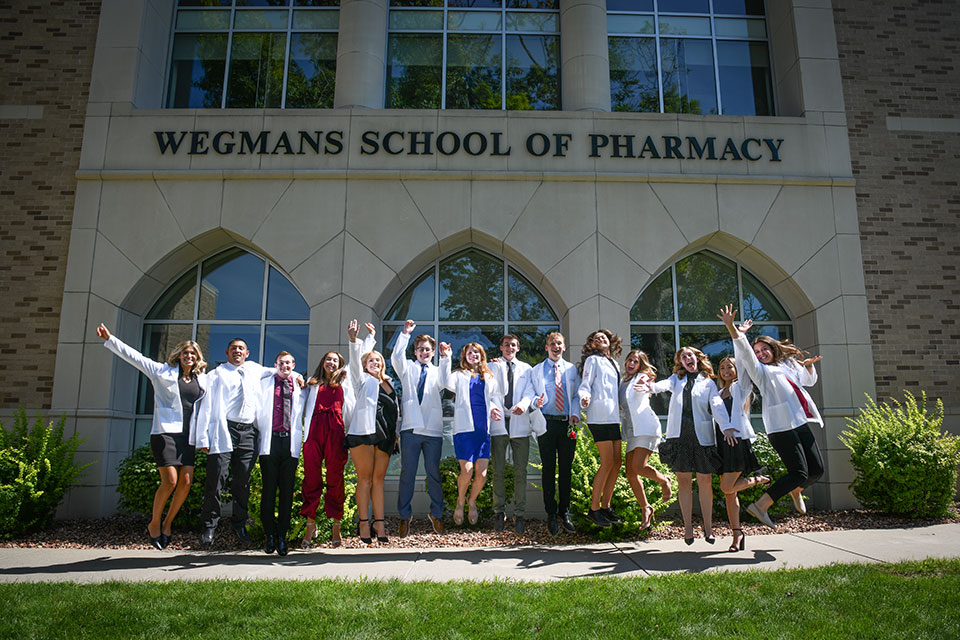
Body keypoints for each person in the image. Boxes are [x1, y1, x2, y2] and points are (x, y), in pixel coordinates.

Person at [97, 323, 206, 550]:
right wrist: (110, 339)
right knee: (171, 481)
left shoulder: (202, 379)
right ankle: (154, 523)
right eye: (186, 353)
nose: (189, 356)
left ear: (197, 358)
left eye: (193, 354)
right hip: (165, 433)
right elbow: (134, 357)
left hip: (189, 436)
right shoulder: (160, 371)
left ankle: (167, 524)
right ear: (178, 355)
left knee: (185, 483)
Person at [719, 304, 825, 529]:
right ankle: (761, 505)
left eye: (763, 350)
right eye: (757, 352)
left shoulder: (787, 365)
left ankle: (796, 489)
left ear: (772, 348)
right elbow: (744, 354)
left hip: (800, 422)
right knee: (798, 472)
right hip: (780, 427)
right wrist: (733, 329)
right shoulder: (761, 371)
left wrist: (807, 367)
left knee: (816, 470)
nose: (760, 354)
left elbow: (808, 382)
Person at [194, 338, 296, 548]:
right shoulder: (217, 374)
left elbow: (282, 370)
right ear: (227, 352)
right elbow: (205, 406)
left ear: (247, 353)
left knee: (243, 480)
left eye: (241, 349)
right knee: (217, 479)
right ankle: (210, 525)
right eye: (233, 349)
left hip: (248, 431)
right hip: (225, 429)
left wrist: (298, 376)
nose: (237, 351)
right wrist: (202, 437)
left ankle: (239, 523)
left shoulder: (254, 369)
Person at [300, 330, 374, 549]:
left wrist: (366, 338)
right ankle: (310, 523)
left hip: (336, 432)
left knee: (335, 479)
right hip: (314, 433)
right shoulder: (311, 383)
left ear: (340, 364)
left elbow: (358, 358)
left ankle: (336, 524)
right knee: (311, 478)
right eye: (328, 359)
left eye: (335, 360)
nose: (331, 362)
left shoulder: (346, 381)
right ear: (323, 363)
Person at [645, 347, 722, 545]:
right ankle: (687, 528)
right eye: (683, 357)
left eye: (690, 355)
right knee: (684, 483)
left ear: (697, 358)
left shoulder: (708, 382)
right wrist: (648, 386)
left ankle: (708, 527)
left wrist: (728, 426)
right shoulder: (675, 379)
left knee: (705, 482)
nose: (687, 358)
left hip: (702, 437)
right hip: (679, 437)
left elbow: (716, 405)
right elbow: (660, 386)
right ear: (680, 362)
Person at [438, 341, 504, 526]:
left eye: (476, 352)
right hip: (465, 430)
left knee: (481, 475)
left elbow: (498, 395)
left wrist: (499, 369)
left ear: (481, 355)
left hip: (483, 431)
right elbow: (444, 383)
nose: (473, 355)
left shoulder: (488, 376)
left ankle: (471, 501)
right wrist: (445, 358)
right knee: (466, 472)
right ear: (464, 356)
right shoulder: (458, 375)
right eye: (469, 352)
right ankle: (460, 501)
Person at [391, 320, 445, 537]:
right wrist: (404, 334)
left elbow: (446, 380)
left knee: (433, 473)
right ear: (415, 351)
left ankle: (437, 514)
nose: (424, 352)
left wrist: (447, 357)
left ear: (433, 353)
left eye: (428, 349)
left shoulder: (438, 371)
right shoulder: (408, 369)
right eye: (421, 349)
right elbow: (396, 356)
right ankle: (405, 517)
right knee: (408, 474)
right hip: (411, 429)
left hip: (432, 430)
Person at [346, 319, 398, 544]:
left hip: (386, 436)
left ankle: (380, 522)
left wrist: (396, 435)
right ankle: (364, 523)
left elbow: (396, 410)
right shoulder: (361, 379)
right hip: (364, 433)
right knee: (365, 479)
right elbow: (355, 360)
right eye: (370, 360)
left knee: (379, 480)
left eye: (378, 359)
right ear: (365, 364)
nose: (375, 362)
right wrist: (355, 340)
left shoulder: (390, 383)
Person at [713, 354, 770, 552]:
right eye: (722, 368)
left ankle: (759, 479)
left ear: (737, 369)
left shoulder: (740, 388)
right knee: (730, 494)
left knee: (727, 487)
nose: (726, 371)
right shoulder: (718, 392)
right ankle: (737, 534)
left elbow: (746, 370)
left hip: (736, 441)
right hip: (721, 444)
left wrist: (739, 337)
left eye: (730, 367)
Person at [529, 332, 580, 535]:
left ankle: (564, 512)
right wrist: (535, 402)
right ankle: (551, 513)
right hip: (546, 424)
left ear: (564, 347)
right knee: (548, 469)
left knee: (566, 469)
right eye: (552, 344)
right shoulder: (537, 370)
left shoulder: (572, 370)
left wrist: (575, 413)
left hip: (567, 424)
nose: (556, 346)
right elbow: (530, 393)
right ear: (546, 347)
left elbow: (575, 395)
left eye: (559, 343)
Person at [256, 351, 306, 557]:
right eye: (281, 363)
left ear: (294, 364)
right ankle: (269, 536)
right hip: (270, 442)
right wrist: (287, 373)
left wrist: (297, 377)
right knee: (268, 492)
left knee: (286, 493)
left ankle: (282, 537)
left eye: (288, 363)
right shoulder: (265, 382)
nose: (285, 366)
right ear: (275, 364)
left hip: (290, 444)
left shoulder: (301, 387)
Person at [488, 334, 536, 534]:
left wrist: (523, 405)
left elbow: (530, 392)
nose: (510, 348)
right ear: (501, 347)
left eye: (513, 345)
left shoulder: (527, 369)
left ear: (518, 348)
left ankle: (519, 514)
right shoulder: (491, 367)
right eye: (506, 345)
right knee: (498, 470)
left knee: (520, 472)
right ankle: (499, 512)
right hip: (499, 423)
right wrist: (491, 406)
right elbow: (487, 393)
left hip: (519, 423)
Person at [620, 349, 672, 531]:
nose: (631, 363)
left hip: (646, 427)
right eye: (629, 360)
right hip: (632, 430)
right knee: (630, 473)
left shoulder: (641, 377)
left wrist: (646, 383)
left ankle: (664, 481)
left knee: (639, 467)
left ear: (641, 364)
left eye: (635, 361)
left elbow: (647, 382)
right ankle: (646, 507)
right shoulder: (623, 380)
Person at [577, 329, 624, 528]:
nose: (600, 339)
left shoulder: (614, 362)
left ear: (610, 341)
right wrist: (584, 398)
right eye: (596, 339)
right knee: (607, 462)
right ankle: (594, 509)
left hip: (614, 417)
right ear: (592, 345)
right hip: (599, 417)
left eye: (603, 337)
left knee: (617, 463)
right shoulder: (593, 361)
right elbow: (585, 385)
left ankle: (606, 506)